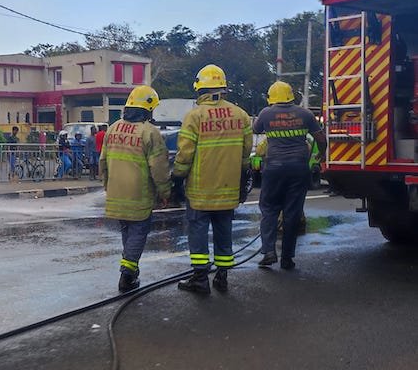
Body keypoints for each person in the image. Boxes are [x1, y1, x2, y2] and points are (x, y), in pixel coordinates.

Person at [172, 64, 253, 294]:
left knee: (198, 231)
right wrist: (243, 177)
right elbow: (246, 153)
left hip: (200, 190)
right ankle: (222, 276)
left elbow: (185, 154)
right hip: (228, 188)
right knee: (223, 230)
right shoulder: (241, 115)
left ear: (200, 90)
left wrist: (177, 179)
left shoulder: (194, 116)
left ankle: (199, 278)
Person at [100, 86, 171, 292]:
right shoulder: (150, 132)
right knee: (138, 232)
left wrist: (108, 187)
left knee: (127, 232)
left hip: (116, 193)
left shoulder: (112, 129)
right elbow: (159, 168)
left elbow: (102, 162)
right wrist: (165, 192)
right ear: (148, 109)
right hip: (139, 195)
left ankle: (130, 267)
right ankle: (127, 273)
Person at [254, 81, 326, 270]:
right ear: (291, 96)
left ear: (272, 98)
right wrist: (322, 154)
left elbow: (255, 129)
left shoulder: (266, 113)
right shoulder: (306, 114)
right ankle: (287, 258)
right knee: (292, 213)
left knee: (269, 209)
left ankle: (269, 251)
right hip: (298, 168)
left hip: (274, 168)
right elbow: (320, 138)